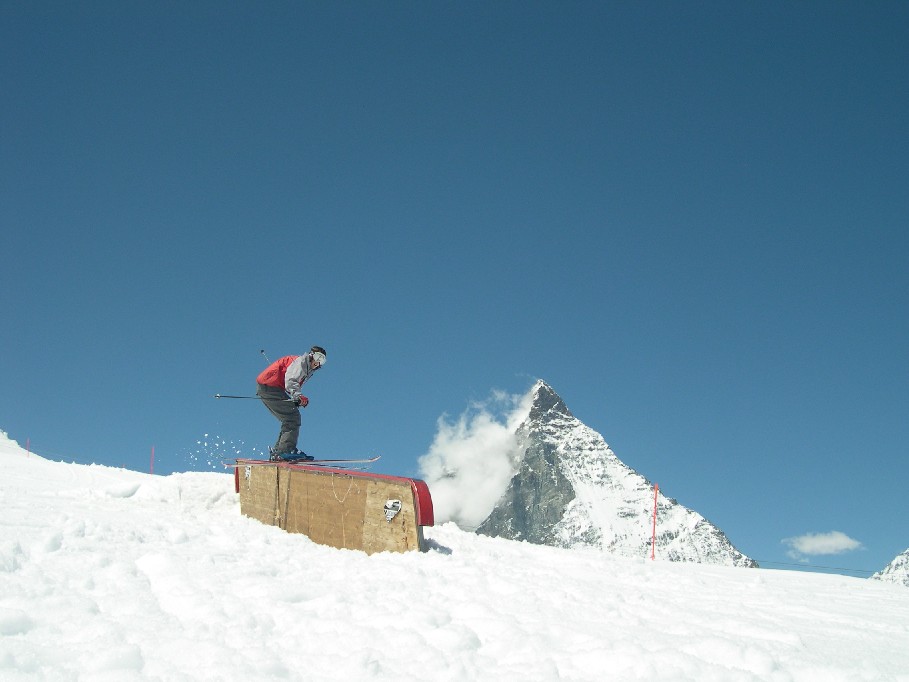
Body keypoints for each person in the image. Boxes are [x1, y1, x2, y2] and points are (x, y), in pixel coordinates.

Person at [256, 346, 326, 461]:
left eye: (323, 361)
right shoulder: (301, 362)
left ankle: (279, 452)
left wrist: (296, 399)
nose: (318, 363)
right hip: (270, 386)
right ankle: (285, 450)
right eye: (318, 357)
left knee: (289, 417)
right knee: (292, 418)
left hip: (268, 386)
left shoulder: (306, 368)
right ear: (311, 355)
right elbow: (291, 380)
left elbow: (290, 382)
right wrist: (298, 396)